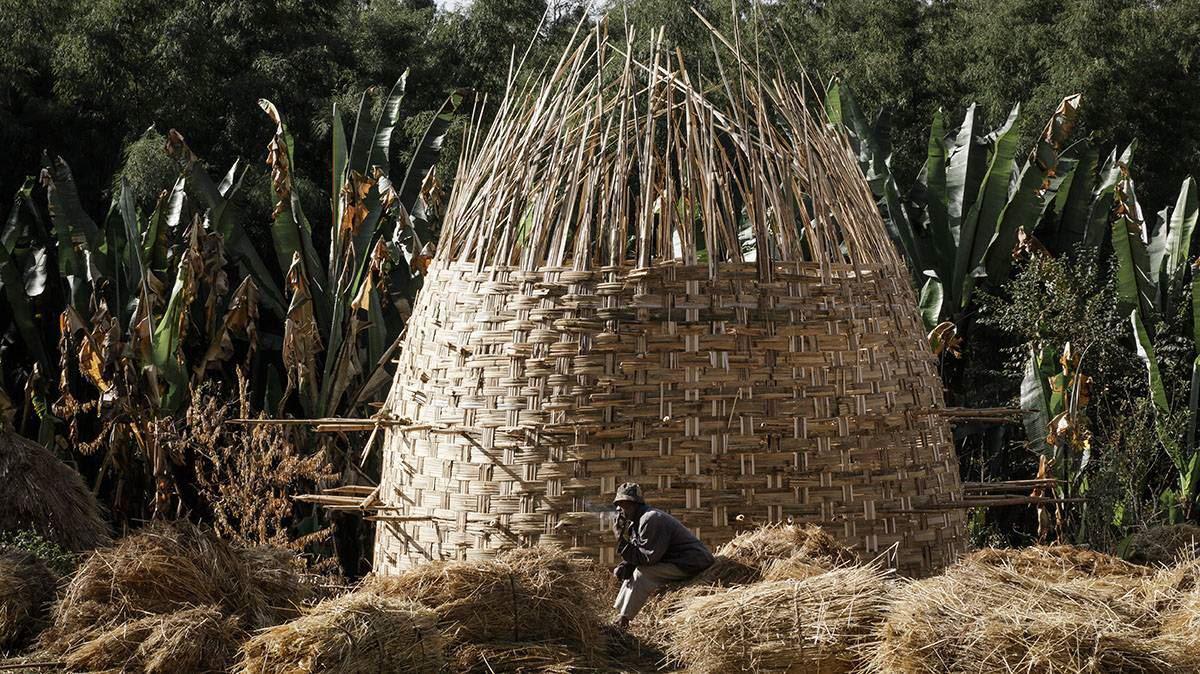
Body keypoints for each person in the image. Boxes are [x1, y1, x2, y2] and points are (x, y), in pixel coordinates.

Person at [610, 482, 714, 628]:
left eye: (623, 504)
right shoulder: (636, 522)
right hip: (676, 561)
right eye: (618, 505)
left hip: (691, 562)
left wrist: (620, 539)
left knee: (642, 573)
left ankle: (624, 620)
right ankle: (619, 613)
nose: (619, 509)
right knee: (631, 570)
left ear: (634, 504)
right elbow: (640, 549)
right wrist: (625, 565)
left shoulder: (650, 518)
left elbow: (647, 558)